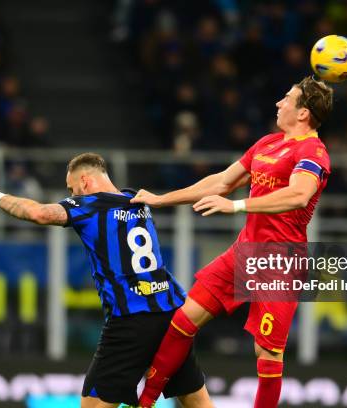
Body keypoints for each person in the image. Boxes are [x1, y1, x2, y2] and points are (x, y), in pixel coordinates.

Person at [132, 76, 334, 408]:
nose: (278, 103)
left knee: (267, 353)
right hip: (244, 251)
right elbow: (222, 182)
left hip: (279, 262)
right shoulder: (268, 143)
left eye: (286, 98)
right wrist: (160, 200)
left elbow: (299, 194)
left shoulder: (313, 151)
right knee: (184, 319)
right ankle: (144, 403)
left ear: (303, 113)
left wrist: (237, 205)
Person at [0, 153, 213, 408]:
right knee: (196, 400)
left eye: (72, 189)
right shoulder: (136, 200)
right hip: (169, 312)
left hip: (130, 320)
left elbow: (38, 213)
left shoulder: (90, 205)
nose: (73, 195)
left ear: (84, 181)